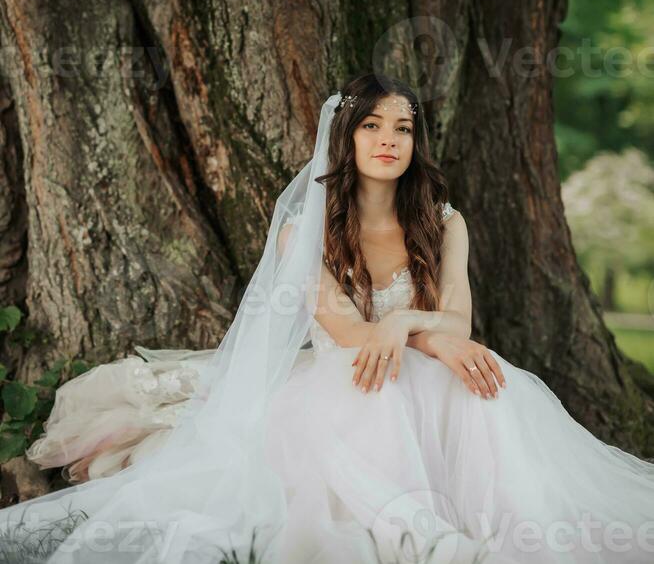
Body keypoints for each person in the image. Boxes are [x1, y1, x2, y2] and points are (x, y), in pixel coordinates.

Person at [1, 74, 653, 564]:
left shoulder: (446, 222)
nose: (389, 140)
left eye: (402, 128)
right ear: (346, 138)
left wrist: (411, 330)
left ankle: (503, 521)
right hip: (347, 381)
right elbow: (353, 336)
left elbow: (459, 326)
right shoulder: (303, 234)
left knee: (486, 386)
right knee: (386, 392)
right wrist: (406, 330)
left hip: (428, 372)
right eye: (373, 126)